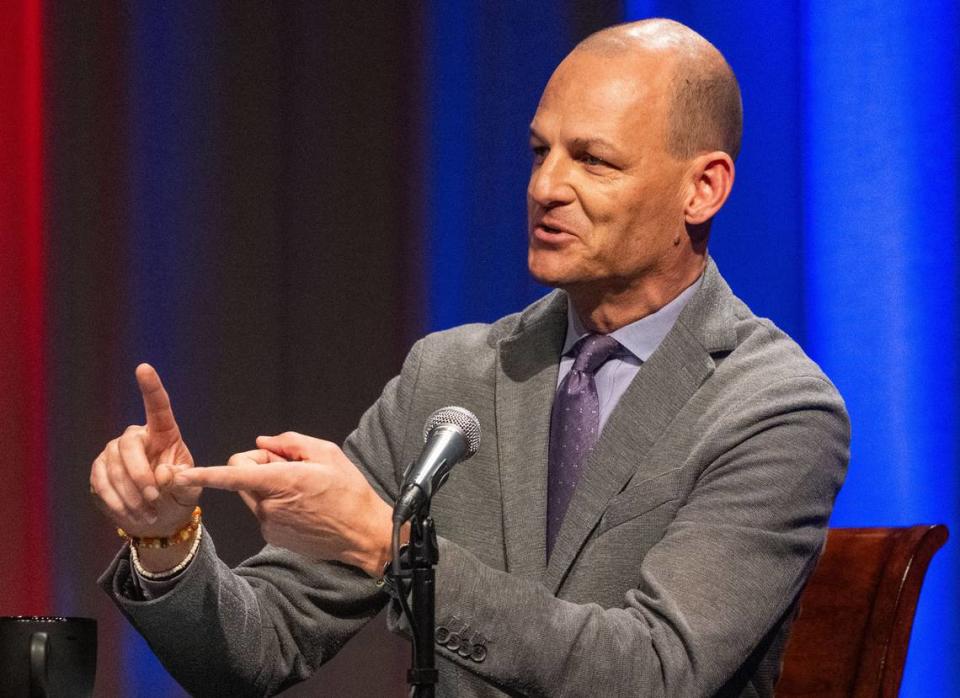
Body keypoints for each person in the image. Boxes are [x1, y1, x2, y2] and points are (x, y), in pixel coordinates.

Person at [92, 18, 849, 697]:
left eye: (594, 160)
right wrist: (165, 541)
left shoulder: (773, 408)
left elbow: (655, 674)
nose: (546, 186)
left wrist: (389, 545)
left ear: (703, 188)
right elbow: (255, 651)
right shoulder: (451, 376)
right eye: (539, 150)